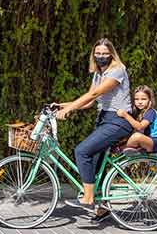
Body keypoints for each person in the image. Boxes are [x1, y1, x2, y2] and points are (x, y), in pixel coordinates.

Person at [54, 38, 133, 214]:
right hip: (105, 119)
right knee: (97, 163)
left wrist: (69, 109)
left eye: (105, 53)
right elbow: (90, 101)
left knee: (82, 151)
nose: (101, 56)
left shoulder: (117, 71)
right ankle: (102, 209)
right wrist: (64, 106)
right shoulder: (99, 73)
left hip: (118, 121)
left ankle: (88, 198)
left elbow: (95, 93)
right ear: (93, 55)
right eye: (98, 53)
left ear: (112, 54)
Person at [116, 85, 157, 155]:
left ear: (149, 100)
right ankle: (128, 148)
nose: (140, 102)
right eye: (136, 99)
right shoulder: (137, 112)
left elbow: (140, 126)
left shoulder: (150, 112)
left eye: (143, 99)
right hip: (147, 140)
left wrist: (125, 115)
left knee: (137, 136)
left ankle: (119, 149)